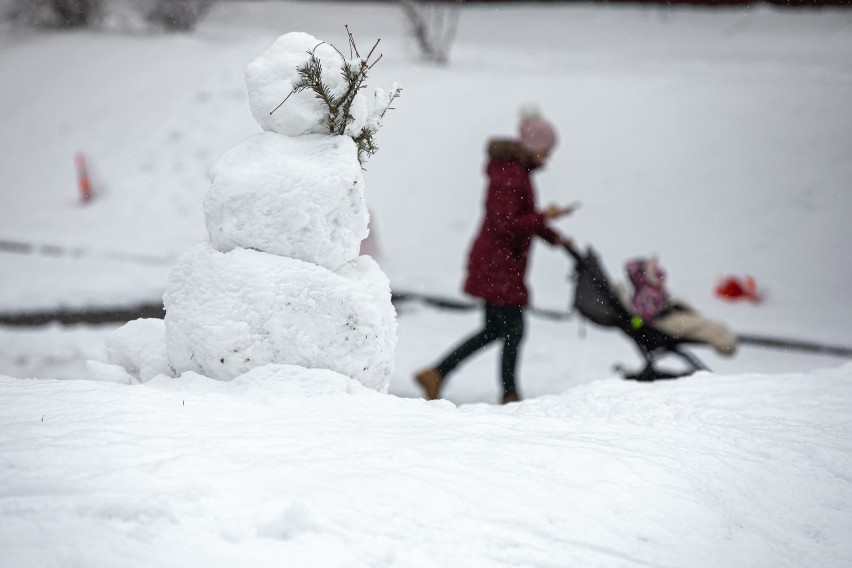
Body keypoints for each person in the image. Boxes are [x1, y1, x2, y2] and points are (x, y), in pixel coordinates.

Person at [414, 108, 575, 404]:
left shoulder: (516, 172)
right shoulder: (510, 175)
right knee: (513, 329)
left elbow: (522, 218)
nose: (548, 158)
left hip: (502, 263)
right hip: (498, 264)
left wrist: (554, 235)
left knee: (495, 330)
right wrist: (544, 217)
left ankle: (437, 373)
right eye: (547, 151)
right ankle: (508, 393)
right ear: (535, 148)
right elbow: (507, 224)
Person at [624, 257, 738, 356]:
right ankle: (725, 343)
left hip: (671, 317)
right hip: (664, 322)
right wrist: (640, 324)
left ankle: (724, 337)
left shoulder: (653, 291)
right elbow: (642, 317)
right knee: (699, 327)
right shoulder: (645, 295)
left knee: (703, 324)